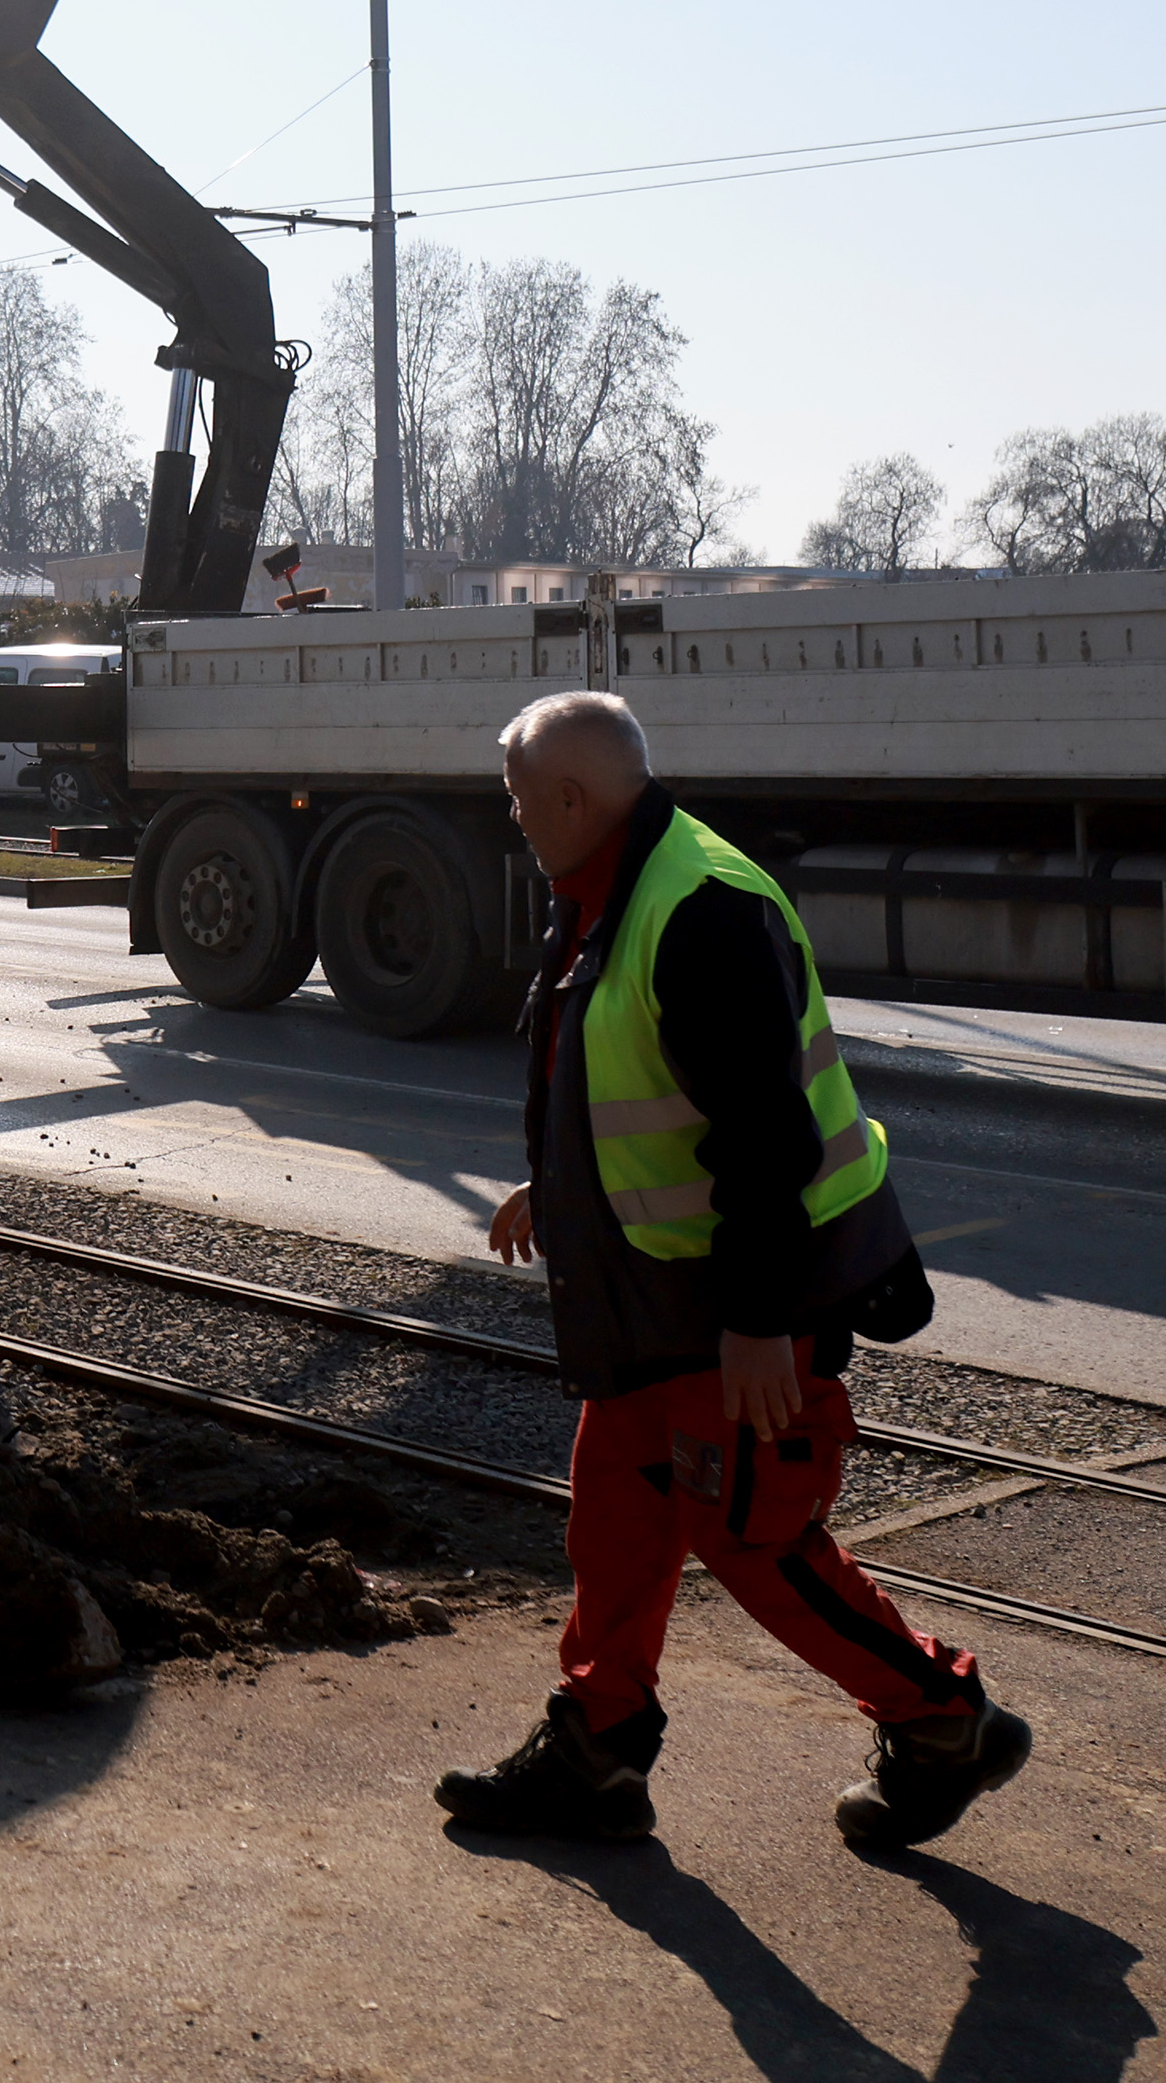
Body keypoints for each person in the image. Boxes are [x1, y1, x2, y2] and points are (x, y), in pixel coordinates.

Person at [434, 689, 1030, 1852]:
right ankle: (597, 1752)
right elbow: (620, 1074)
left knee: (752, 1536)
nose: (509, 818)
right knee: (616, 1513)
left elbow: (765, 1136)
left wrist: (758, 1324)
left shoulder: (699, 906)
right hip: (660, 1288)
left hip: (753, 1290)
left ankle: (941, 1720)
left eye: (516, 798)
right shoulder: (606, 883)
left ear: (570, 797)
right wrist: (555, 1191)